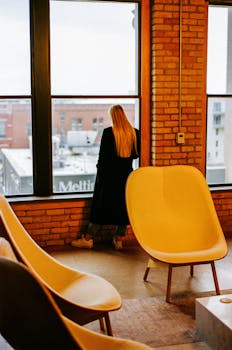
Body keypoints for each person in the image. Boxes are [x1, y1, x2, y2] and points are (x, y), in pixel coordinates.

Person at [71, 104, 140, 250]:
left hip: (109, 178)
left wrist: (99, 177)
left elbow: (103, 159)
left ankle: (88, 239)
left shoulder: (109, 133)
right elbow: (136, 155)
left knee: (100, 208)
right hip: (126, 177)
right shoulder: (134, 133)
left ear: (113, 117)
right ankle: (119, 239)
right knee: (123, 209)